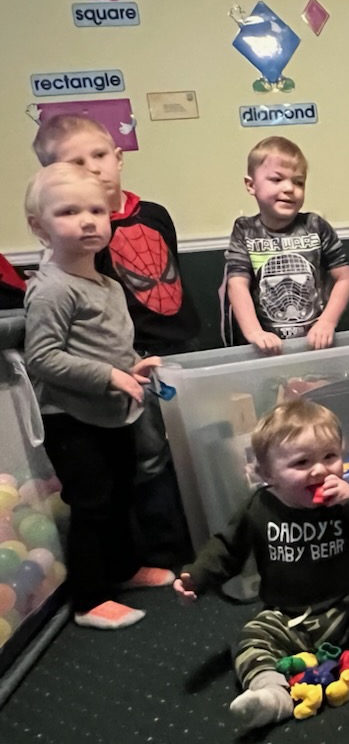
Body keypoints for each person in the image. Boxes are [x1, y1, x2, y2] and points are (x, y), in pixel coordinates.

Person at [174, 400, 349, 730]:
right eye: (302, 462)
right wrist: (197, 575)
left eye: (329, 457)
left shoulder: (343, 500)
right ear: (267, 474)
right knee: (250, 639)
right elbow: (227, 548)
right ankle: (270, 693)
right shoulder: (259, 507)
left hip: (345, 605)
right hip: (287, 616)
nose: (319, 470)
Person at [33, 114, 198, 569]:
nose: (94, 170)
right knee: (144, 460)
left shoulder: (155, 214)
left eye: (100, 156)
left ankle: (195, 539)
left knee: (187, 448)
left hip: (176, 348)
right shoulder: (76, 250)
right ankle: (161, 552)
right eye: (76, 163)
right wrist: (121, 364)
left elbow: (170, 281)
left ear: (119, 157)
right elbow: (70, 330)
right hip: (123, 364)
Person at [23, 163, 175, 630]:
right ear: (39, 226)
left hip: (114, 415)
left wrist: (131, 367)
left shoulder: (107, 285)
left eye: (96, 210)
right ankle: (90, 599)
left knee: (121, 495)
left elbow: (103, 347)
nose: (88, 220)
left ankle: (123, 569)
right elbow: (42, 359)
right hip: (73, 419)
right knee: (92, 505)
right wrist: (109, 374)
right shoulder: (51, 289)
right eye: (69, 211)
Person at [225, 136, 349, 355]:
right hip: (266, 349)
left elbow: (344, 277)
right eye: (277, 180)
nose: (289, 188)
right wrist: (255, 333)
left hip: (316, 346)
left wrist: (327, 323)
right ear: (251, 185)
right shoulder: (245, 230)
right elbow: (237, 285)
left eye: (298, 182)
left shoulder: (316, 226)